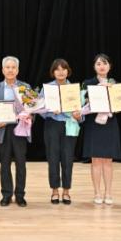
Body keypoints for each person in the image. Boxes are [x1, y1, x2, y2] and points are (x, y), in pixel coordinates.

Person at [39, 59, 83, 205]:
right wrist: (50, 111)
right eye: (57, 69)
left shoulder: (74, 89)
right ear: (53, 72)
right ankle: (54, 191)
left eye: (63, 69)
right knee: (52, 158)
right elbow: (39, 109)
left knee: (68, 158)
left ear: (68, 71)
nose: (61, 72)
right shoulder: (47, 88)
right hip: (52, 124)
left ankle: (66, 191)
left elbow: (81, 112)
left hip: (69, 125)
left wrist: (78, 116)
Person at [82, 54, 121, 205]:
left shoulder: (115, 84)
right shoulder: (88, 83)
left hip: (110, 124)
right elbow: (83, 104)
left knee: (108, 161)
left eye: (104, 63)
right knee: (96, 160)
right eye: (98, 64)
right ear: (94, 67)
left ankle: (109, 193)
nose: (102, 66)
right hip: (94, 124)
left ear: (109, 66)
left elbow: (119, 108)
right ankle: (97, 193)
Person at [0, 56, 29, 207]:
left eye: (13, 67)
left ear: (17, 70)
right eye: (8, 67)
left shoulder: (25, 87)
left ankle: (20, 195)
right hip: (3, 130)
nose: (10, 70)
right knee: (4, 164)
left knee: (21, 164)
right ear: (2, 70)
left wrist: (29, 115)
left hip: (20, 129)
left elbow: (32, 109)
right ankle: (6, 195)